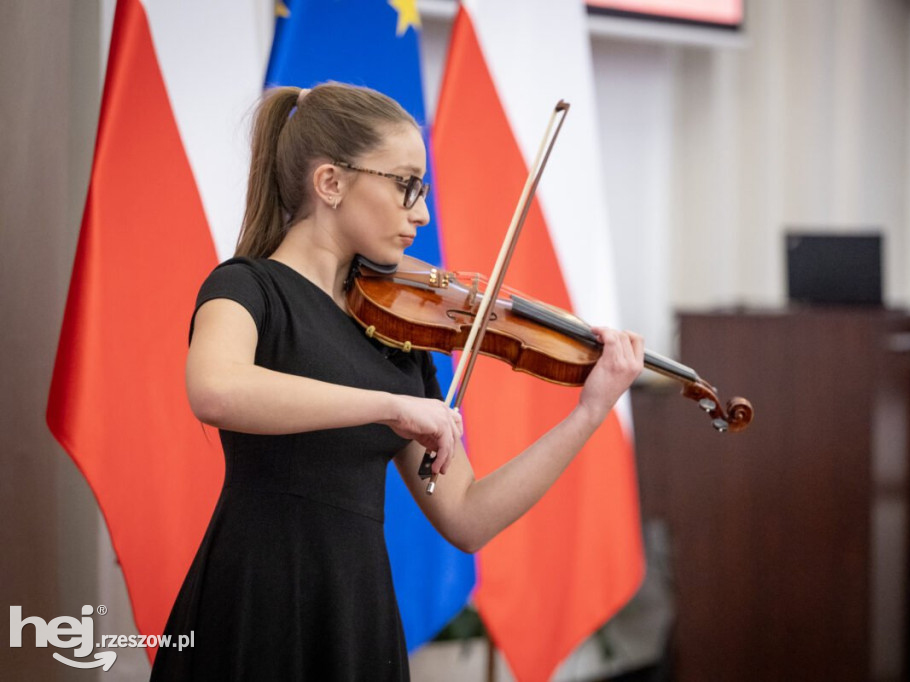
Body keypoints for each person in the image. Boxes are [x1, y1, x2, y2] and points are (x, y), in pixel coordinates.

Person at [150, 82, 644, 681]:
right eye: (406, 184)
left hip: (357, 610)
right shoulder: (245, 288)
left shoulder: (395, 332)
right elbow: (217, 391)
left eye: (423, 188)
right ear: (330, 183)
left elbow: (466, 515)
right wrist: (390, 406)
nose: (422, 213)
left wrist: (589, 412)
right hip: (257, 592)